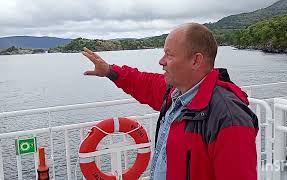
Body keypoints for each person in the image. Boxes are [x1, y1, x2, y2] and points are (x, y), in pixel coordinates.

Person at [82, 22, 259, 180]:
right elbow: (143, 82)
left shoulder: (229, 117)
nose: (161, 61)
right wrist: (109, 71)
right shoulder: (177, 93)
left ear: (196, 61)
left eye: (169, 55)